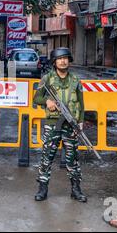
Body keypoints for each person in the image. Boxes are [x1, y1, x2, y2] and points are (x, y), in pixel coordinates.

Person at [33, 47, 87, 203]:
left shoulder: (76, 80)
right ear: (54, 62)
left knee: (73, 159)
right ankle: (42, 189)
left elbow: (81, 104)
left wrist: (81, 122)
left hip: (72, 124)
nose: (63, 61)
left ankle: (76, 190)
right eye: (59, 58)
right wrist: (47, 101)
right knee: (47, 157)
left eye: (65, 58)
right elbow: (36, 98)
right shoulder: (47, 79)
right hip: (52, 124)